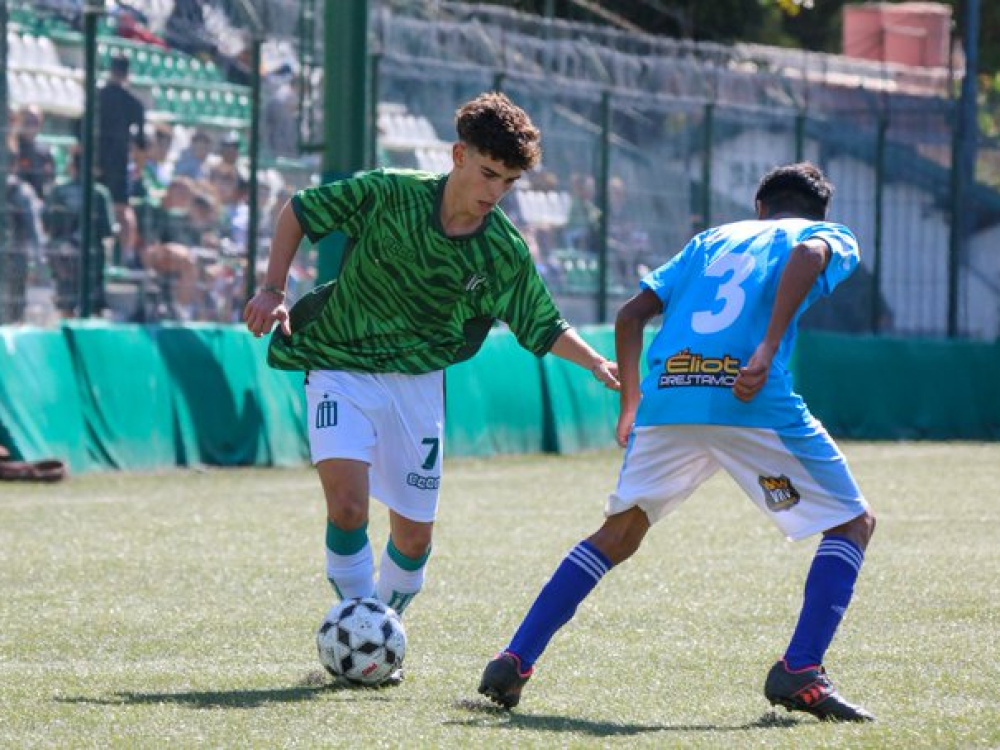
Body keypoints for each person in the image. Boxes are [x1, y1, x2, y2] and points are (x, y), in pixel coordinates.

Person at [478, 162, 877, 723]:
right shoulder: (825, 235)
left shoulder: (712, 238)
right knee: (852, 522)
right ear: (817, 214)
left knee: (618, 533)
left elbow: (631, 313)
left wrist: (632, 403)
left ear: (760, 207)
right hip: (747, 396)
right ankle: (801, 670)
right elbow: (809, 258)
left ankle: (515, 658)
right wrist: (764, 349)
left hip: (670, 394)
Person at [242, 92, 621, 680]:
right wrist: (273, 288)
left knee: (413, 539)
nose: (495, 191)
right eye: (488, 173)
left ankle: (379, 631)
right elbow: (301, 209)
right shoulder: (391, 191)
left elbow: (541, 324)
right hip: (339, 366)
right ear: (459, 155)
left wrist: (597, 364)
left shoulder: (503, 251)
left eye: (510, 182)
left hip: (418, 387)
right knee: (347, 506)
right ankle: (360, 630)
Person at [97, 55, 146, 265]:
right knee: (121, 211)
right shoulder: (133, 102)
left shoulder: (97, 96)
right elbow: (141, 142)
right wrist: (138, 169)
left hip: (99, 161)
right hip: (115, 163)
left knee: (111, 209)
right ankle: (122, 256)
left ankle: (117, 256)